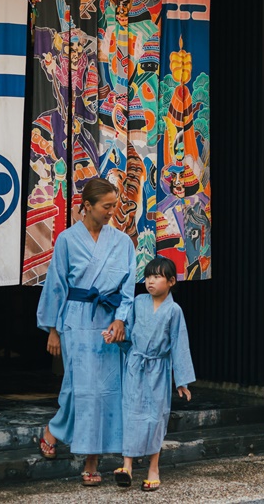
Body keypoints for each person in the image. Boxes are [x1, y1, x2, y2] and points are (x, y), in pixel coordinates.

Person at [36, 177, 136, 487]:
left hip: (108, 321)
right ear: (87, 206)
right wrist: (52, 329)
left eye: (114, 206)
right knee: (79, 388)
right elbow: (56, 284)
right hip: (76, 320)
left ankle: (92, 460)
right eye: (106, 206)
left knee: (106, 392)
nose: (111, 212)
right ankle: (55, 430)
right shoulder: (67, 239)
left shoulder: (122, 242)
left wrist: (121, 319)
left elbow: (129, 287)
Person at [110, 256, 195, 493]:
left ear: (170, 282)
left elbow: (179, 344)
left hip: (158, 369)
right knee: (131, 413)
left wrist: (182, 380)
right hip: (136, 366)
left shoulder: (174, 310)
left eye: (157, 277)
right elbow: (129, 332)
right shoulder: (138, 302)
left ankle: (153, 468)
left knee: (156, 417)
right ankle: (126, 466)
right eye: (148, 276)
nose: (150, 281)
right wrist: (116, 336)